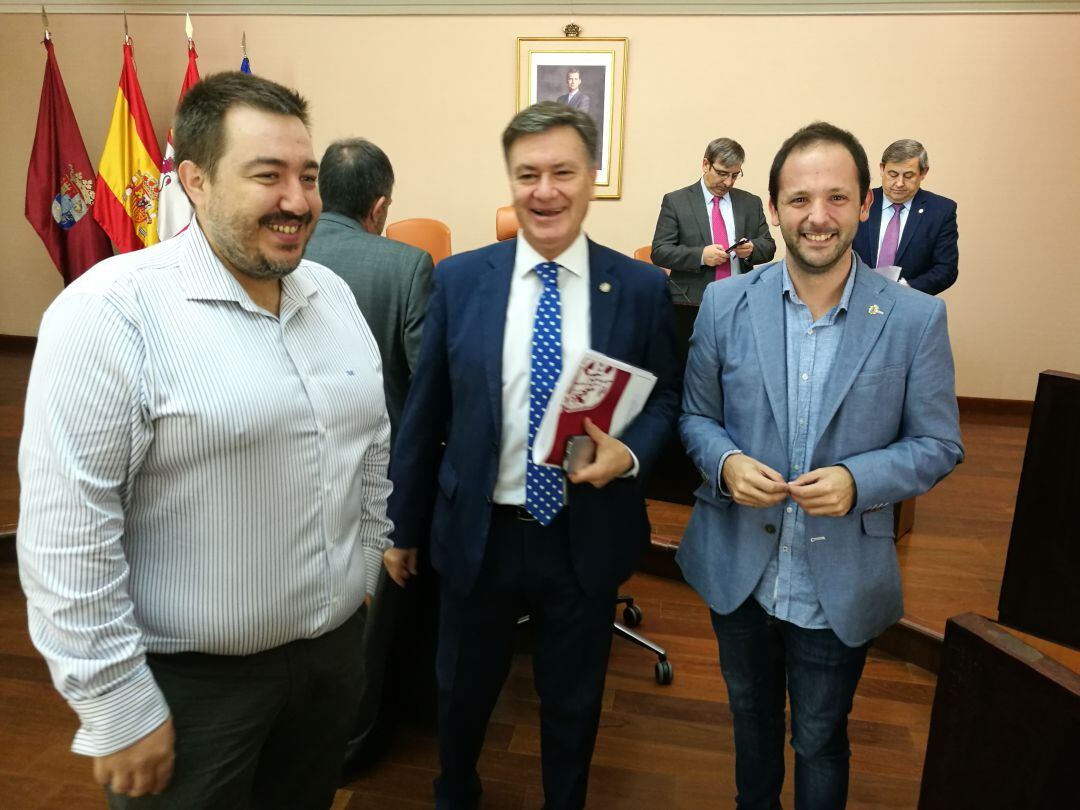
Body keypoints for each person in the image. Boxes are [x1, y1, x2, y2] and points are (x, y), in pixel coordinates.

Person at [17, 71, 392, 809]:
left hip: (331, 664)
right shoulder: (109, 314)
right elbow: (67, 535)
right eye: (267, 176)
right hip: (191, 693)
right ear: (193, 180)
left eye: (307, 177)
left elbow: (370, 446)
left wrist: (368, 572)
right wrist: (116, 707)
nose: (297, 200)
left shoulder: (334, 297)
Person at [384, 101, 679, 810]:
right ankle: (456, 790)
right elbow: (426, 413)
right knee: (460, 690)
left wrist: (628, 457)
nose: (544, 190)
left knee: (573, 702)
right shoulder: (457, 280)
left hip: (584, 533)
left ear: (591, 178)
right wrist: (401, 526)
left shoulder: (638, 288)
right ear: (511, 182)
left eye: (562, 172)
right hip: (478, 533)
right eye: (527, 174)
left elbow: (666, 401)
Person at [677, 122, 964, 809]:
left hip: (836, 582)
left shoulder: (915, 318)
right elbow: (694, 418)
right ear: (772, 209)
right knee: (750, 724)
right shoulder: (723, 303)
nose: (817, 217)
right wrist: (725, 465)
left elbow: (939, 445)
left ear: (866, 205)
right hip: (739, 571)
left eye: (836, 198)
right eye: (799, 199)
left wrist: (860, 480)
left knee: (819, 738)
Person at [305, 137, 433, 441]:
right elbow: (427, 380)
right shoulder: (409, 265)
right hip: (385, 457)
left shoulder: (282, 255)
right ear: (378, 208)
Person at [651, 137, 776, 304]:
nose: (728, 182)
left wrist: (751, 250)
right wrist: (701, 256)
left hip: (741, 300)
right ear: (705, 164)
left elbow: (768, 246)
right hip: (692, 302)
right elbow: (660, 252)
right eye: (722, 173)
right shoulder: (676, 202)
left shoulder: (750, 202)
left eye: (735, 175)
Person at [852, 138, 959, 294]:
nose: (899, 183)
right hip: (855, 299)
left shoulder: (941, 211)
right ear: (882, 169)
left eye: (908, 176)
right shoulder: (859, 202)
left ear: (923, 173)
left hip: (908, 305)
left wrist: (906, 289)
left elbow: (946, 269)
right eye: (893, 174)